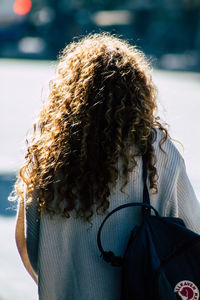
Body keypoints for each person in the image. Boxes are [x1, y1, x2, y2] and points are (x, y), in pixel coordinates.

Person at [11, 33, 200, 300]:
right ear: (138, 93)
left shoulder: (46, 151)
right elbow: (191, 235)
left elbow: (30, 245)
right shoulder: (155, 149)